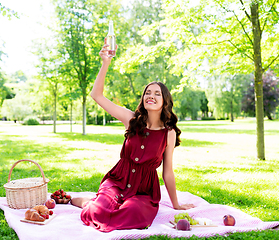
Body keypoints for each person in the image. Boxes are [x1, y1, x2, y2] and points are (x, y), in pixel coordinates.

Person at [71, 40, 195, 232]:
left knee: (135, 215)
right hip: (117, 181)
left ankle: (96, 203)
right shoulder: (130, 118)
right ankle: (88, 202)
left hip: (144, 191)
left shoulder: (168, 133)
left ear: (165, 101)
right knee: (99, 212)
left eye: (157, 94)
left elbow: (168, 171)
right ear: (143, 98)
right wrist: (105, 63)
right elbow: (97, 95)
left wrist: (176, 204)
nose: (151, 96)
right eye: (147, 92)